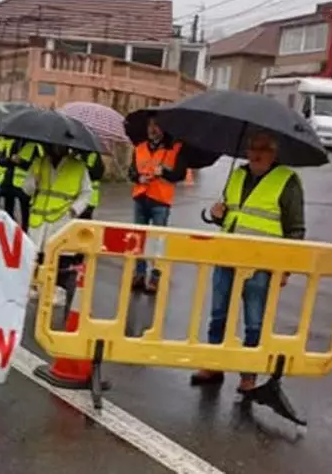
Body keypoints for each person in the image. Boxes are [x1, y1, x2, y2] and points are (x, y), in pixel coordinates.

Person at [191, 131, 305, 392]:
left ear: (273, 153)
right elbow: (230, 216)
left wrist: (286, 269)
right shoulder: (238, 174)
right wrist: (216, 214)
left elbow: (295, 229)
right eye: (253, 148)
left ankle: (248, 374)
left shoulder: (287, 181)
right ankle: (213, 364)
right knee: (218, 314)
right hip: (227, 255)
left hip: (261, 264)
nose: (256, 153)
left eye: (263, 149)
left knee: (254, 321)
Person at [23, 143, 92, 305]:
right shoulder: (39, 163)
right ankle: (36, 286)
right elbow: (27, 189)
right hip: (39, 219)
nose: (56, 148)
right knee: (37, 256)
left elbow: (86, 193)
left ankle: (57, 290)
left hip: (61, 218)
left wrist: (74, 210)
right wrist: (34, 180)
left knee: (60, 258)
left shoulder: (78, 167)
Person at [128, 117, 186, 293]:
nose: (152, 129)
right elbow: (131, 172)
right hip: (141, 197)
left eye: (157, 125)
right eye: (150, 125)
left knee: (158, 241)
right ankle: (139, 274)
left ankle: (155, 276)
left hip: (160, 200)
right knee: (139, 239)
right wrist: (138, 178)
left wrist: (165, 172)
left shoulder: (174, 148)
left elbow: (180, 174)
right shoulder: (140, 148)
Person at [0, 138, 38, 231]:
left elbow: (35, 165)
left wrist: (20, 162)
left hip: (23, 185)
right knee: (8, 211)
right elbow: (1, 161)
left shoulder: (34, 147)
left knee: (25, 213)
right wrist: (10, 160)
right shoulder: (13, 143)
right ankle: (9, 230)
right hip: (9, 181)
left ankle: (24, 232)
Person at [77, 150, 105, 219]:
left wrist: (82, 167)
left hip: (90, 198)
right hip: (78, 197)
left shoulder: (93, 154)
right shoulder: (78, 154)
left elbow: (97, 173)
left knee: (84, 220)